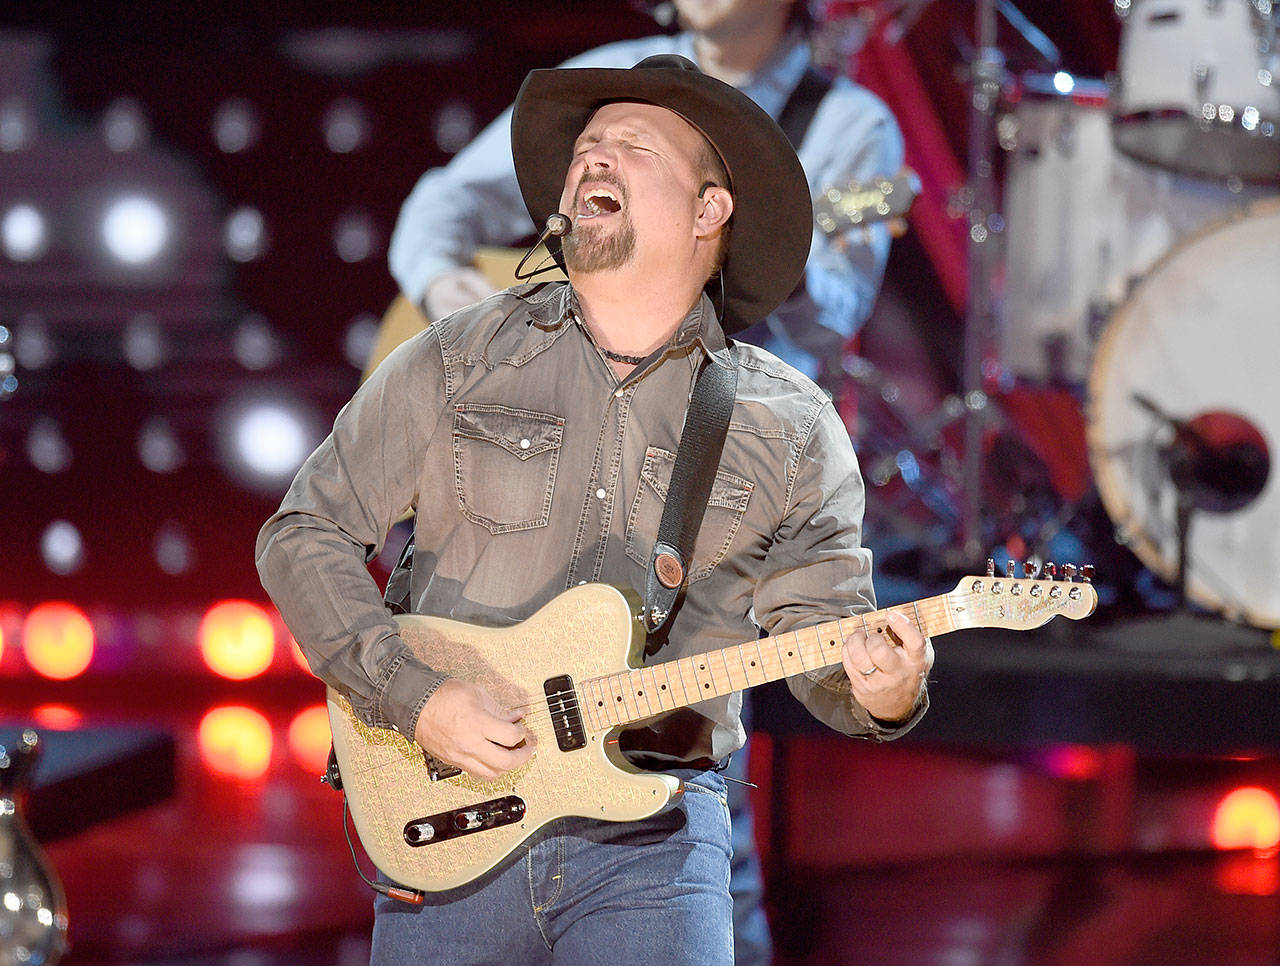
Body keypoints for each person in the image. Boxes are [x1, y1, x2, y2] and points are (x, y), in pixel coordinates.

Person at [258, 55, 931, 965]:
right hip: (454, 822)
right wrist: (414, 698)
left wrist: (884, 689)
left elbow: (822, 638)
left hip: (656, 842)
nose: (593, 160)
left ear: (709, 212)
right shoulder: (460, 358)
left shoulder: (792, 425)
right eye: (586, 148)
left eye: (632, 147)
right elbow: (304, 532)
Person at [384, 0, 904, 391]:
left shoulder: (852, 125)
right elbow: (446, 199)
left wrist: (787, 269)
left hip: (730, 438)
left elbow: (832, 323)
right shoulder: (608, 79)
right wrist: (445, 288)